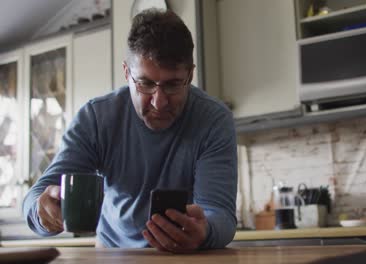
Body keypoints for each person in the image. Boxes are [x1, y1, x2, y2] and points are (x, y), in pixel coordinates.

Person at [22, 8, 238, 252]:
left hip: (183, 257)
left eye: (173, 85)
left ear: (190, 74)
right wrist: (42, 213)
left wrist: (205, 232)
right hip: (113, 254)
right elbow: (38, 193)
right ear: (127, 73)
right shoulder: (96, 118)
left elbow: (220, 214)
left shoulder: (214, 120)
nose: (159, 102)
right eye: (145, 83)